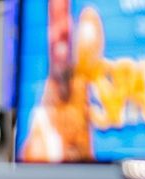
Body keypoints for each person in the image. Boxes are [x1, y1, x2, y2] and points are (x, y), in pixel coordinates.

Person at [20, 0, 97, 163]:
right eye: (55, 18)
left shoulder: (81, 88)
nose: (61, 31)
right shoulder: (41, 120)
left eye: (65, 15)